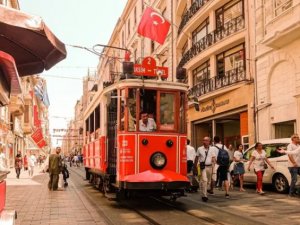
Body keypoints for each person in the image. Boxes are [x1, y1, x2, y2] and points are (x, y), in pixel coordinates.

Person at [194, 137, 216, 202]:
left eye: (206, 140)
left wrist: (214, 161)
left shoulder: (212, 149)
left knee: (208, 181)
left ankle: (203, 189)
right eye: (203, 140)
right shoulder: (199, 149)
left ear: (209, 142)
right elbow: (196, 157)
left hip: (210, 167)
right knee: (205, 180)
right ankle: (204, 195)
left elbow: (213, 157)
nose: (204, 141)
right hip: (203, 167)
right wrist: (195, 166)